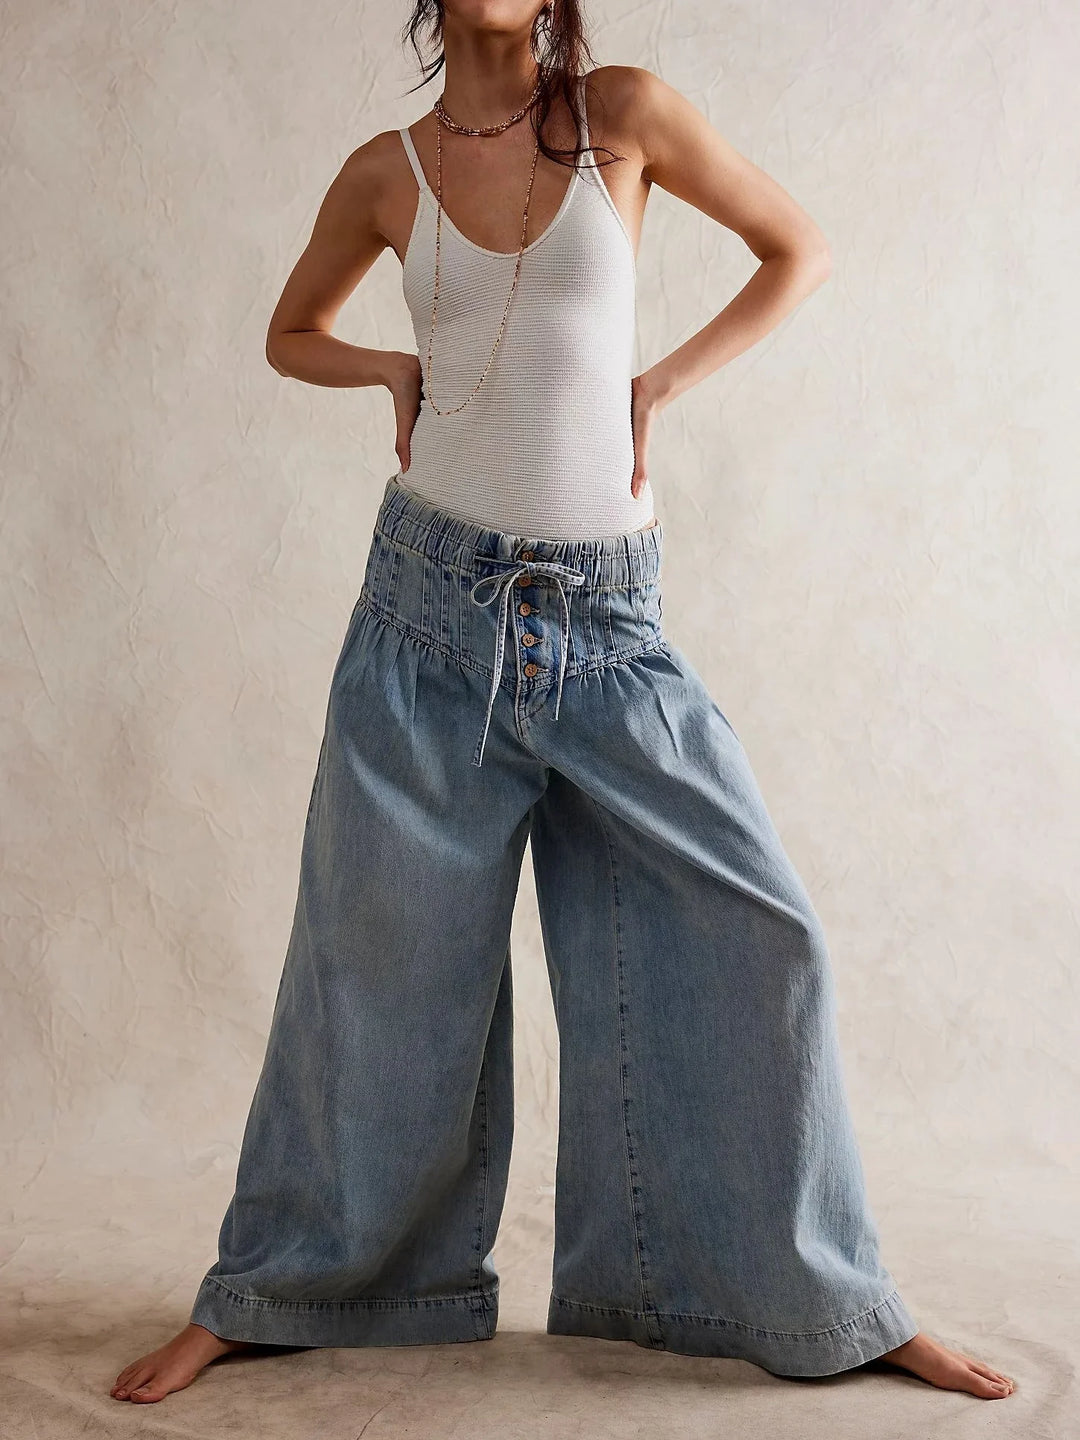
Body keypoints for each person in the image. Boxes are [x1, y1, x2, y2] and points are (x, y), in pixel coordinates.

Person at [110, 0, 1015, 1407]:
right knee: (370, 973)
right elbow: (288, 331)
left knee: (762, 936)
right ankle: (277, 1293)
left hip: (607, 628)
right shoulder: (385, 172)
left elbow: (800, 248)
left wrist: (662, 384)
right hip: (425, 623)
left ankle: (820, 1296)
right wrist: (386, 365)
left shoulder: (623, 117)